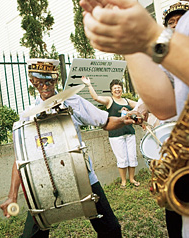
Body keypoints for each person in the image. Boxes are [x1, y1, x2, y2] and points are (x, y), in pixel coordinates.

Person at [79, 0, 189, 237]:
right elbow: (164, 105)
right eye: (172, 25)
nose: (177, 27)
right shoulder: (167, 41)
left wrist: (149, 33)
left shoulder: (165, 38)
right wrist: (130, 43)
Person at [0, 58, 142, 238]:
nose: (45, 87)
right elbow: (20, 159)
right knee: (33, 235)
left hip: (82, 176)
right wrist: (12, 195)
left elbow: (104, 121)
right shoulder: (28, 116)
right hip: (45, 183)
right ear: (33, 82)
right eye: (40, 83)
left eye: (49, 81)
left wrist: (123, 119)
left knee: (111, 229)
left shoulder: (73, 101)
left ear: (56, 79)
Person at [82, 76, 139, 188]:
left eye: (119, 88)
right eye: (115, 88)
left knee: (132, 156)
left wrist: (130, 111)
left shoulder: (127, 101)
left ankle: (132, 179)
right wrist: (89, 85)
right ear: (111, 90)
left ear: (122, 89)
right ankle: (123, 181)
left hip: (129, 132)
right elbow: (96, 98)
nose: (117, 90)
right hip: (116, 134)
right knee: (122, 158)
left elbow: (139, 106)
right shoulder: (109, 100)